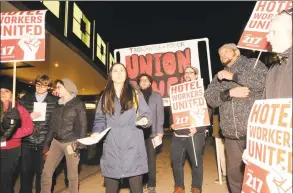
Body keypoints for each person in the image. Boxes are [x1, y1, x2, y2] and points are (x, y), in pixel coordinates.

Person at [204, 43, 268, 193]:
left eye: (226, 52)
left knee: (257, 173)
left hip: (254, 131)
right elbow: (210, 98)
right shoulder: (219, 76)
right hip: (231, 133)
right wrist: (229, 93)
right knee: (234, 175)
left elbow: (263, 82)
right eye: (220, 54)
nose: (223, 56)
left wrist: (233, 76)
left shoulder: (252, 64)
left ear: (236, 52)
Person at [92, 63, 152, 193]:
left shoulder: (135, 94)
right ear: (111, 75)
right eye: (115, 71)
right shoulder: (105, 96)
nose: (118, 73)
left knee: (136, 188)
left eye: (121, 70)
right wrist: (96, 131)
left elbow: (146, 113)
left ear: (126, 74)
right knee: (111, 189)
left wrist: (145, 120)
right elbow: (100, 118)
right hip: (112, 148)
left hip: (133, 147)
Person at [41, 78, 87, 193]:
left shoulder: (78, 103)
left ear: (67, 88)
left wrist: (79, 144)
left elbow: (83, 124)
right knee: (46, 173)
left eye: (59, 87)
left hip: (71, 143)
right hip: (56, 143)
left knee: (72, 176)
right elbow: (52, 125)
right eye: (56, 87)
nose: (57, 89)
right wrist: (46, 144)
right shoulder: (57, 104)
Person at [170, 66, 206, 193]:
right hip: (178, 134)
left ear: (196, 76)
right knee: (176, 162)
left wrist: (198, 128)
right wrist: (171, 124)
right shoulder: (177, 91)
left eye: (191, 72)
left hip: (194, 134)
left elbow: (208, 112)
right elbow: (172, 110)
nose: (188, 74)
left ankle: (196, 187)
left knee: (196, 163)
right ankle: (179, 187)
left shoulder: (202, 91)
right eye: (186, 73)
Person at [19, 75, 58, 193]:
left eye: (44, 85)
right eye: (38, 84)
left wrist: (50, 143)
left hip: (44, 143)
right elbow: (17, 119)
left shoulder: (55, 101)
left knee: (42, 175)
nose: (40, 87)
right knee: (25, 174)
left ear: (49, 87)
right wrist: (27, 118)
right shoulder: (26, 99)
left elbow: (55, 124)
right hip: (27, 141)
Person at [0, 77, 34, 193]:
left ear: (12, 93)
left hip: (11, 150)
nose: (3, 93)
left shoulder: (19, 109)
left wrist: (10, 135)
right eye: (0, 91)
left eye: (6, 91)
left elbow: (29, 128)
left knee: (4, 181)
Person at [137, 73, 164, 193]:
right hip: (136, 134)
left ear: (150, 82)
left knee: (151, 160)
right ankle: (141, 183)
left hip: (151, 133)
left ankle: (151, 184)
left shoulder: (156, 96)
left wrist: (160, 131)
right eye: (141, 80)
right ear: (139, 83)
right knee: (138, 160)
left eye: (146, 80)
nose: (143, 82)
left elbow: (160, 115)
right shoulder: (134, 96)